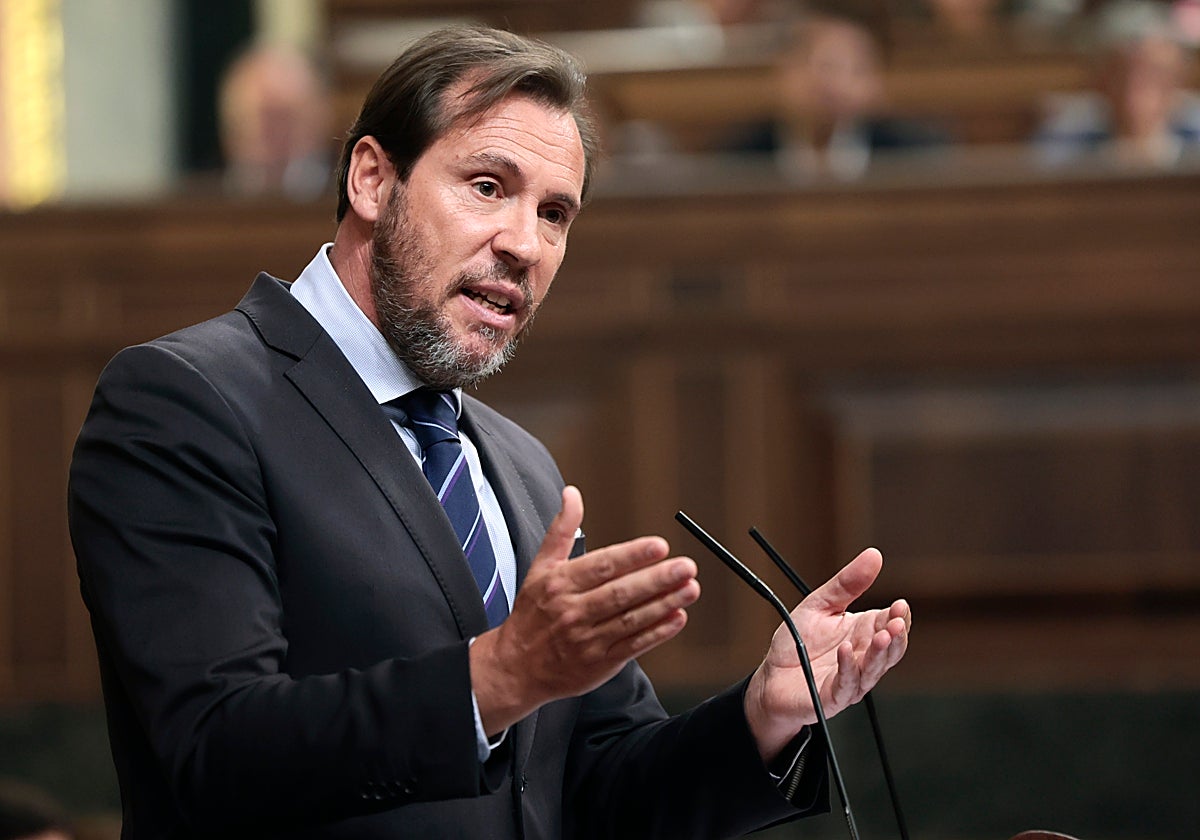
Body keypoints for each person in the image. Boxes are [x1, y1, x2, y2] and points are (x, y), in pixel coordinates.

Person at [68, 25, 910, 839]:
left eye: (554, 214)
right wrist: (493, 681)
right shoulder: (187, 400)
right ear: (371, 180)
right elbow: (212, 751)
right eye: (486, 186)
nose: (523, 245)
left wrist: (762, 715)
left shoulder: (519, 464)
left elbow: (596, 791)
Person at [720, 13, 950, 180]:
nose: (831, 84)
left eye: (853, 70)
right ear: (781, 74)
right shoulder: (737, 157)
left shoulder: (916, 153)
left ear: (876, 82)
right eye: (817, 66)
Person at [1034, 0, 1200, 168]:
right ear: (1100, 82)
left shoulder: (1196, 131)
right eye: (1122, 75)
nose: (1136, 88)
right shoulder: (1065, 136)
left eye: (1153, 74)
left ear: (1177, 80)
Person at [217, 43, 333, 200]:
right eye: (265, 119)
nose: (277, 136)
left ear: (321, 119)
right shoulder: (198, 203)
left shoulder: (351, 200)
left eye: (285, 119)